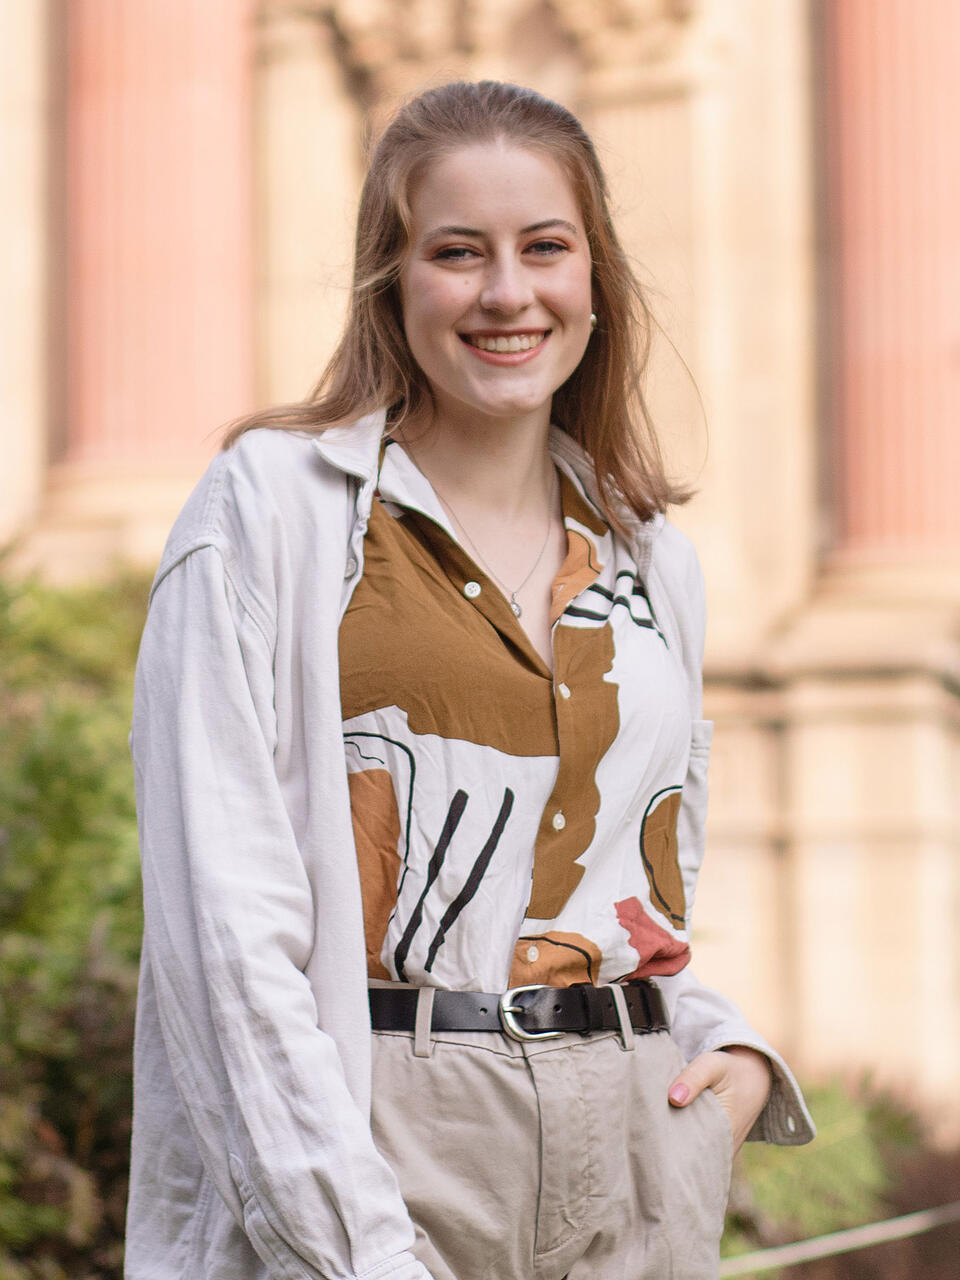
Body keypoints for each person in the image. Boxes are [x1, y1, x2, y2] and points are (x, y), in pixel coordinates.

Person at [126, 80, 814, 1280]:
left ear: (594, 276)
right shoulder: (267, 512)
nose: (508, 292)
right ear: (392, 282)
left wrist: (728, 1054)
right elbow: (228, 938)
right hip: (381, 1142)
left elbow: (635, 904)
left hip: (637, 1153)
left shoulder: (656, 564)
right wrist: (357, 1249)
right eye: (458, 252)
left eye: (545, 247)